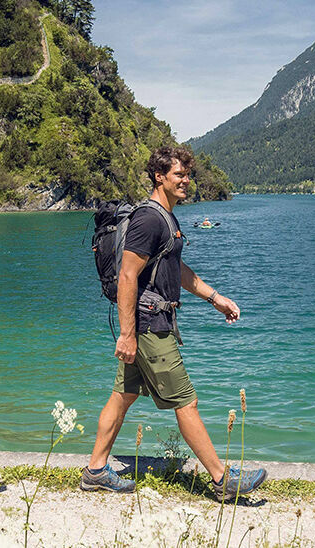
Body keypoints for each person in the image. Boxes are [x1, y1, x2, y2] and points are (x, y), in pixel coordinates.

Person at [79, 146, 266, 500]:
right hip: (149, 326)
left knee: (123, 396)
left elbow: (174, 269)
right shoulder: (149, 219)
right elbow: (127, 276)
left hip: (150, 321)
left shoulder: (167, 218)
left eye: (187, 174)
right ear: (159, 176)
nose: (186, 181)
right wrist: (128, 335)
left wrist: (216, 299)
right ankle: (222, 479)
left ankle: (96, 470)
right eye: (179, 175)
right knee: (187, 402)